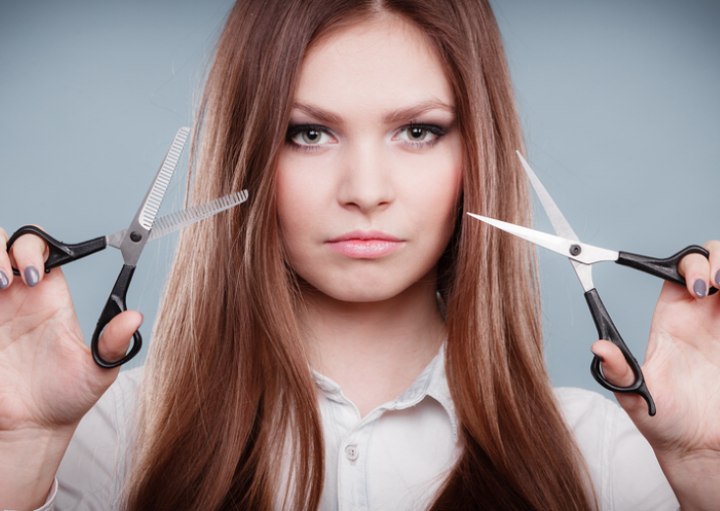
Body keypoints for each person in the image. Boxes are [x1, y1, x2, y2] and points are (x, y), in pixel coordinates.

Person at [1, 0, 719, 509]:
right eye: (310, 134)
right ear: (245, 155)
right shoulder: (113, 440)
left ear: (480, 154)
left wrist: (704, 471)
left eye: (418, 131)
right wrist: (20, 462)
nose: (366, 191)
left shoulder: (596, 456)